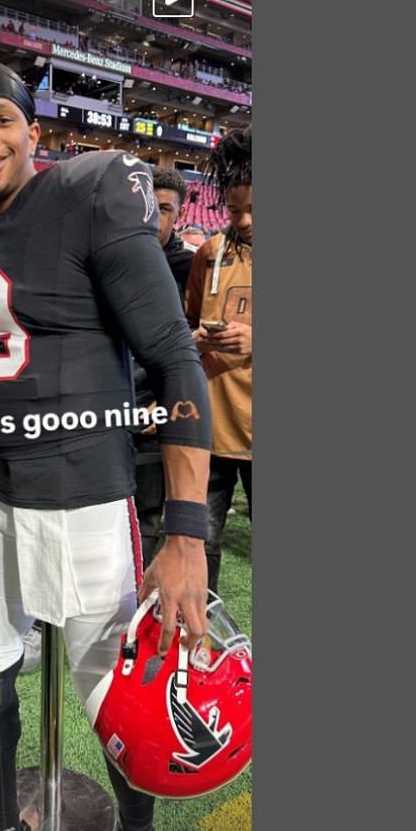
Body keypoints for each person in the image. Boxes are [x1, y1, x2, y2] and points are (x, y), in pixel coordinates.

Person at [0, 60, 214, 831]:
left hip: (82, 488)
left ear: (32, 132)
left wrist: (186, 529)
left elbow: (174, 359)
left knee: (116, 693)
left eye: (2, 121)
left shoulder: (91, 190)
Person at [184, 129, 253, 592]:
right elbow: (185, 326)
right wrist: (196, 340)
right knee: (200, 546)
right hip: (212, 435)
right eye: (233, 209)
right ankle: (202, 650)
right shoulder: (210, 253)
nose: (243, 220)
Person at [131, 167, 197, 563]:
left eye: (166, 209)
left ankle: (144, 616)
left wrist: (167, 400)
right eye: (148, 206)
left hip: (158, 408)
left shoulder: (189, 268)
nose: (155, 215)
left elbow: (191, 348)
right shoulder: (107, 257)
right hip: (109, 406)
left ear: (179, 215)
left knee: (151, 515)